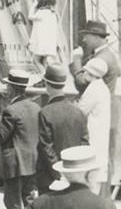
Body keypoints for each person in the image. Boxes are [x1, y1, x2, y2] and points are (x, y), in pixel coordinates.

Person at [0, 70, 42, 209]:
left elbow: (1, 136)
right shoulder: (35, 107)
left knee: (12, 199)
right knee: (28, 196)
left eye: (8, 86)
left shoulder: (11, 110)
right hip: (32, 159)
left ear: (12, 88)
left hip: (15, 161)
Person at [35, 63, 88, 193]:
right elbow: (85, 143)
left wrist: (60, 175)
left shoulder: (45, 113)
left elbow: (46, 148)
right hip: (74, 176)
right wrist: (73, 173)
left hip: (50, 179)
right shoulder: (78, 112)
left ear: (47, 85)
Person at [77, 58, 112, 198]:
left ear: (90, 73)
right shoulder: (102, 87)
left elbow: (80, 111)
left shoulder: (94, 89)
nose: (83, 73)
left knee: (91, 177)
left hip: (93, 137)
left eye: (85, 71)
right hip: (100, 137)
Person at [27, 0, 65, 67]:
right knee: (46, 61)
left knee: (35, 60)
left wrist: (34, 5)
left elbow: (30, 17)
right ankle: (47, 75)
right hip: (50, 43)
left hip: (42, 43)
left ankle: (44, 75)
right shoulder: (53, 13)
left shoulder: (42, 12)